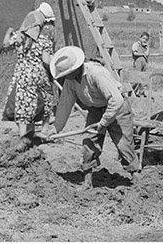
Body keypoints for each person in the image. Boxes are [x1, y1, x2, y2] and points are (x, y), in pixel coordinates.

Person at [49, 45, 140, 175]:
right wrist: (56, 128)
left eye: (67, 74)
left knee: (124, 145)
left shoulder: (96, 73)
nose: (65, 77)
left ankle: (136, 179)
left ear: (75, 68)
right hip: (96, 110)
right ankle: (87, 182)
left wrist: (104, 123)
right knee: (88, 145)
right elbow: (65, 105)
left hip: (118, 109)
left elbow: (116, 100)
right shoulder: (70, 81)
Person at [3, 1, 57, 144]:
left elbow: (5, 44)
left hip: (21, 76)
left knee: (22, 103)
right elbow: (46, 61)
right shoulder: (44, 41)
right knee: (45, 101)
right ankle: (43, 131)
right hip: (38, 76)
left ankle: (24, 135)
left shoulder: (19, 38)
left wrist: (9, 32)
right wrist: (56, 62)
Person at [131, 32, 150, 97]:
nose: (144, 40)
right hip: (138, 63)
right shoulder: (136, 44)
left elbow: (147, 54)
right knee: (136, 78)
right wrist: (142, 54)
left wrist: (147, 47)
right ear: (140, 38)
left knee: (144, 78)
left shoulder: (146, 46)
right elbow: (135, 53)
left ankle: (141, 93)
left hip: (145, 63)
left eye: (146, 39)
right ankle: (132, 92)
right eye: (143, 38)